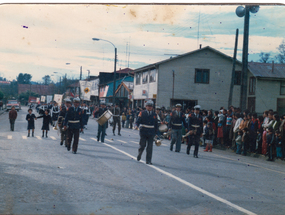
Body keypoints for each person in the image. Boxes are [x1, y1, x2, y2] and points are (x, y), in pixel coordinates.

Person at [135, 100, 158, 165]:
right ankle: (140, 154)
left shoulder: (154, 114)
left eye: (151, 106)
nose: (150, 107)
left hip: (151, 132)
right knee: (142, 145)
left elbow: (156, 124)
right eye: (148, 106)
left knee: (150, 147)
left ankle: (148, 160)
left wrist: (156, 133)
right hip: (143, 131)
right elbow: (138, 121)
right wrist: (136, 125)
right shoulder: (142, 113)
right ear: (146, 106)